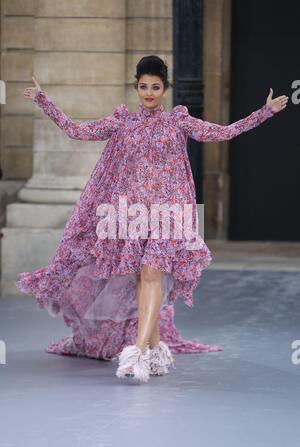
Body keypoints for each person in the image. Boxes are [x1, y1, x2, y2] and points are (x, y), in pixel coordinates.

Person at [18, 55, 288, 383]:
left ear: (165, 89)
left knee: (150, 275)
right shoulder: (122, 122)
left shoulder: (178, 122)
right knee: (140, 282)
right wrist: (45, 101)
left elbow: (223, 132)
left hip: (167, 215)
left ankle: (136, 354)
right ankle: (158, 351)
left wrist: (264, 112)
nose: (149, 92)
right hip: (130, 217)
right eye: (143, 86)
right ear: (136, 87)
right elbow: (77, 131)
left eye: (155, 87)